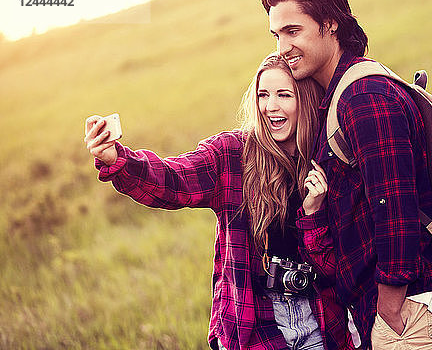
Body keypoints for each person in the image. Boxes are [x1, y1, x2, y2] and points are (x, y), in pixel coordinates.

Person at [84, 53, 353, 350]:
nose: (270, 106)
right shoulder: (232, 154)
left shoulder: (329, 160)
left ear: (306, 100)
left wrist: (313, 215)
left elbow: (338, 267)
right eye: (263, 95)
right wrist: (119, 159)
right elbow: (172, 180)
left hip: (322, 321)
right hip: (252, 325)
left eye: (284, 95)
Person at [261, 0, 432, 349]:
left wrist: (389, 305)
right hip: (384, 304)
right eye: (276, 35)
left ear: (331, 24)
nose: (282, 47)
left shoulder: (364, 96)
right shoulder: (337, 95)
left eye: (293, 31)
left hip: (405, 307)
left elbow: (395, 203)